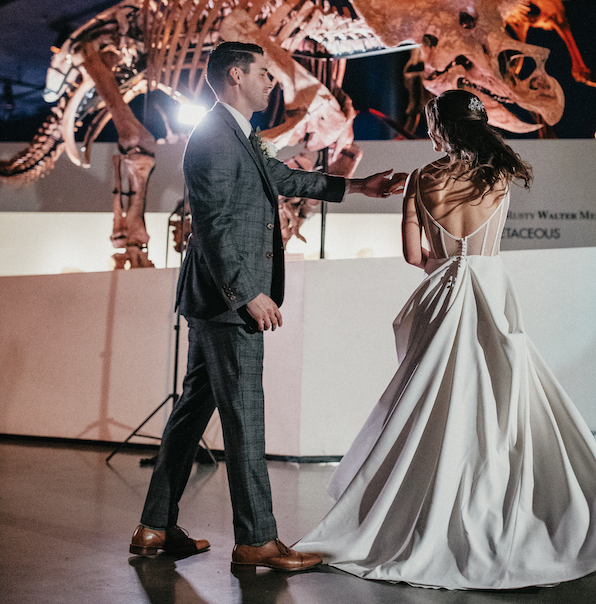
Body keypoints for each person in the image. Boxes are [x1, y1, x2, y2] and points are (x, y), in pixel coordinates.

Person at [295, 89, 596, 589]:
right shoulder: (499, 174)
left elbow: (413, 256)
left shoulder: (422, 178)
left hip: (441, 295)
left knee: (433, 403)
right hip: (491, 290)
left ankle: (425, 511)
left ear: (438, 128)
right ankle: (522, 510)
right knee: (506, 402)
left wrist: (444, 263)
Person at [129, 41, 406, 570]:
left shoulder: (234, 130)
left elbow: (280, 179)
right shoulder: (214, 136)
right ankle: (256, 539)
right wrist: (246, 293)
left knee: (191, 417)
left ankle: (153, 528)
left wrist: (356, 187)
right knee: (245, 418)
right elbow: (210, 225)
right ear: (236, 74)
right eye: (264, 73)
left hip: (216, 300)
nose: (272, 83)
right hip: (226, 302)